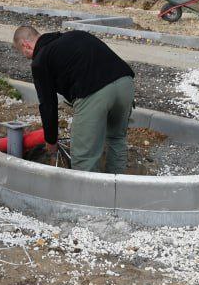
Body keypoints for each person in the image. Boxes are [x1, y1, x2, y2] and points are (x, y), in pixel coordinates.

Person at [14, 26, 135, 174]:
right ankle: (117, 188)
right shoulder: (76, 35)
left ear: (26, 45)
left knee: (84, 158)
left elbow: (48, 104)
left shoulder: (40, 60)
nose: (28, 57)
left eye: (24, 53)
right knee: (116, 139)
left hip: (95, 93)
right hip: (125, 84)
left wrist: (51, 140)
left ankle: (89, 196)